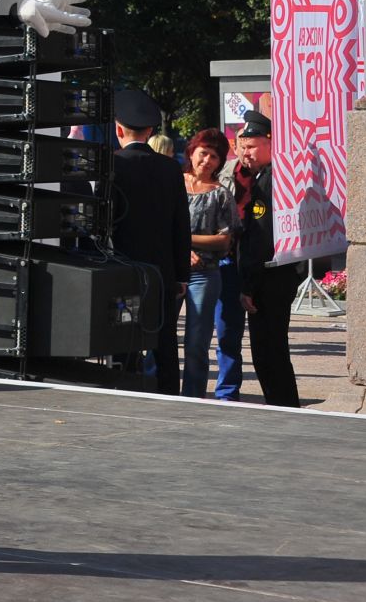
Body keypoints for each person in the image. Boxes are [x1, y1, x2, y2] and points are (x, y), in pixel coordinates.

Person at [109, 89, 190, 396]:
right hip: (162, 274)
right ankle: (170, 395)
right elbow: (181, 224)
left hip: (123, 272)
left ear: (119, 129)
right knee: (165, 341)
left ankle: (124, 390)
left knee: (123, 336)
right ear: (151, 131)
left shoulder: (113, 166)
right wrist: (181, 274)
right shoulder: (170, 168)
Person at [234, 112, 300, 408]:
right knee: (271, 349)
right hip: (277, 276)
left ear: (270, 143)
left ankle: (282, 406)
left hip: (268, 278)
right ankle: (282, 403)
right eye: (242, 146)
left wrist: (248, 285)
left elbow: (260, 238)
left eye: (251, 146)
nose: (244, 153)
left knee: (267, 350)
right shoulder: (269, 176)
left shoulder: (268, 181)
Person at [181, 130, 237, 400]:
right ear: (191, 152)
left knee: (195, 342)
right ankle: (158, 390)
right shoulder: (172, 184)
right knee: (158, 337)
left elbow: (224, 240)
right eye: (203, 152)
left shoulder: (221, 195)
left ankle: (192, 397)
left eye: (215, 156)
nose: (207, 160)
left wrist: (186, 241)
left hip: (205, 275)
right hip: (171, 270)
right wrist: (181, 249)